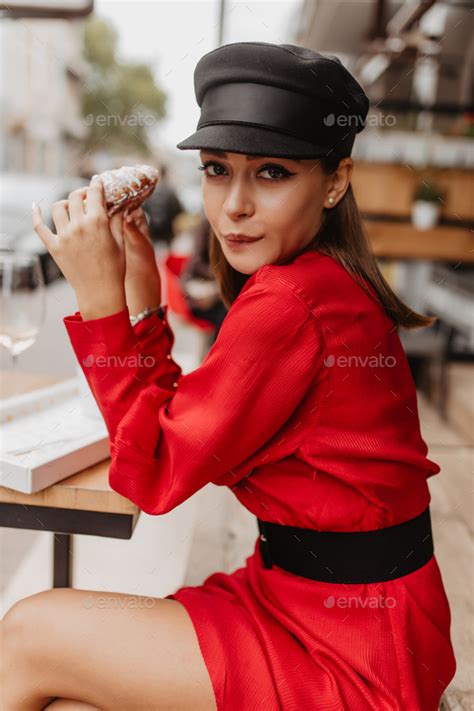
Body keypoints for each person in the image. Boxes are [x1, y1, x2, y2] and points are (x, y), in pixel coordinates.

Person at [4, 42, 456, 711]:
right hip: (334, 609)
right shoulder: (318, 283)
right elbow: (187, 423)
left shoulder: (290, 303)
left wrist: (101, 306)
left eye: (271, 173)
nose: (234, 205)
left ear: (334, 180)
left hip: (347, 652)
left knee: (26, 634)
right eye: (217, 169)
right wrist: (142, 299)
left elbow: (154, 473)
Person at [142, 162, 184, 246]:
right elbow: (179, 209)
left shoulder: (151, 190)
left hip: (153, 229)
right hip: (167, 230)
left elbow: (144, 208)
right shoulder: (171, 191)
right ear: (166, 173)